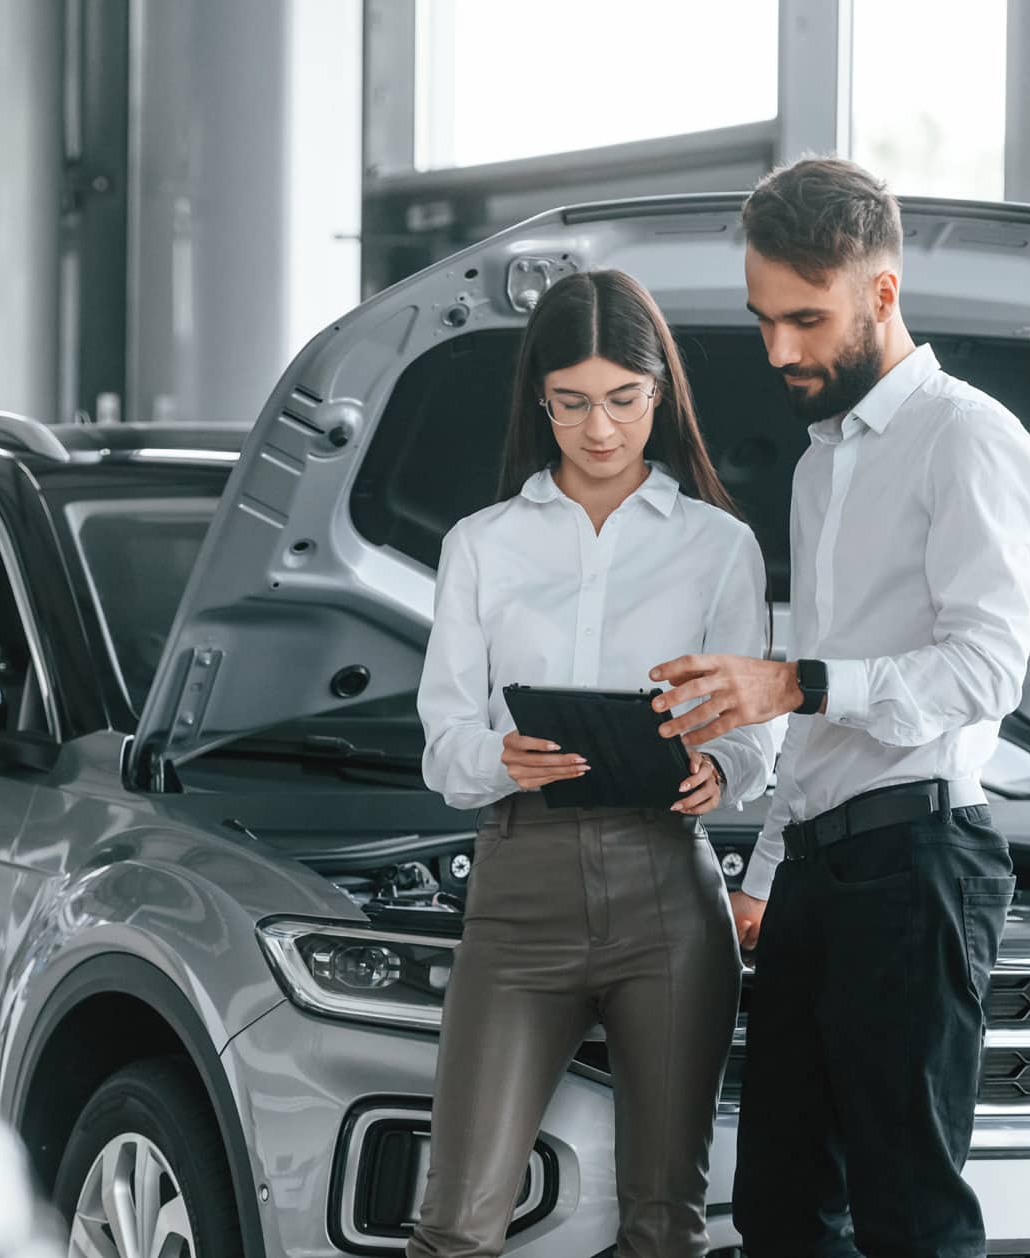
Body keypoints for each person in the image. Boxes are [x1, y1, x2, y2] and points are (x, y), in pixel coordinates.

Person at [650, 157, 1030, 1258]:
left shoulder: (968, 438)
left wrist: (792, 681)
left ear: (881, 291)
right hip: (818, 876)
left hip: (919, 865)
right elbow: (819, 716)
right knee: (777, 1209)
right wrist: (767, 873)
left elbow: (984, 672)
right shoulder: (819, 469)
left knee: (909, 1217)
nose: (779, 350)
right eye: (762, 319)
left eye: (804, 319)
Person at [409, 269, 774, 1258]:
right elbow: (443, 745)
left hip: (667, 892)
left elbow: (753, 725)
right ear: (541, 400)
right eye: (572, 403)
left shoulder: (718, 547)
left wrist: (725, 771)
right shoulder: (481, 546)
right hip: (518, 889)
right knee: (455, 1224)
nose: (600, 428)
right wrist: (501, 753)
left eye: (623, 400)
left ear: (660, 394)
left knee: (664, 1225)